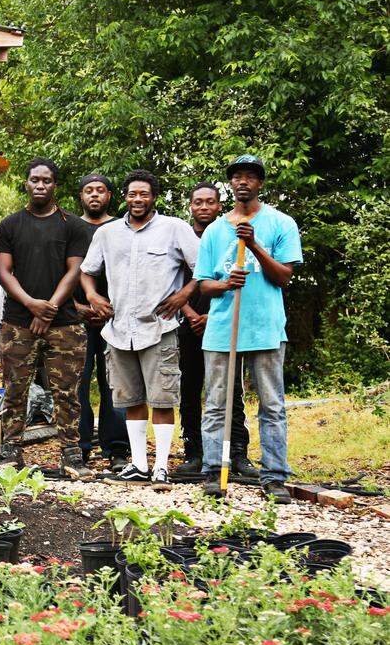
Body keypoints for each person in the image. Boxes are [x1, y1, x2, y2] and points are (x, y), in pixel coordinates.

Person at [80, 170, 198, 485]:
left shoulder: (174, 228)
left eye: (144, 194)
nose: (137, 199)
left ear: (153, 197)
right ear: (125, 197)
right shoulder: (107, 233)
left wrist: (183, 295)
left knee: (162, 400)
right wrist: (92, 295)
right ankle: (139, 465)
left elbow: (203, 267)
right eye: (132, 194)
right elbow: (87, 271)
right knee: (131, 400)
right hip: (119, 330)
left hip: (158, 328)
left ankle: (161, 468)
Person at [196, 155, 301, 503]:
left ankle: (274, 477)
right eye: (237, 176)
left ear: (260, 183)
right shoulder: (214, 230)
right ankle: (214, 471)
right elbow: (203, 285)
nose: (243, 182)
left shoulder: (281, 223)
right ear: (231, 183)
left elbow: (284, 277)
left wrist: (254, 244)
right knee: (216, 403)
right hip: (222, 328)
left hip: (265, 327)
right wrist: (226, 283)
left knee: (272, 405)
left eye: (250, 177)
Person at [0, 158, 92, 479]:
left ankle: (72, 456)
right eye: (34, 179)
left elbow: (75, 270)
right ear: (26, 183)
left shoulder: (73, 225)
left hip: (65, 325)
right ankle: (11, 452)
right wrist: (31, 304)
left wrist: (49, 307)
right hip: (17, 324)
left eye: (46, 180)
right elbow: (4, 272)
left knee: (67, 392)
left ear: (55, 185)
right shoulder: (10, 225)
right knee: (15, 390)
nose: (40, 185)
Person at [176, 182, 254, 478]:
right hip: (188, 325)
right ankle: (194, 452)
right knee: (190, 389)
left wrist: (212, 316)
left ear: (219, 206)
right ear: (191, 206)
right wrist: (191, 314)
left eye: (210, 202)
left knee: (231, 390)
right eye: (198, 202)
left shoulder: (229, 236)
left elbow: (239, 278)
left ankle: (238, 453)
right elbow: (169, 282)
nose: (204, 207)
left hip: (223, 323)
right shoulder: (181, 238)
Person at [72, 173, 129, 473]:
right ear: (81, 196)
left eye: (100, 190)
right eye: (89, 190)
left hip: (116, 317)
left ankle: (117, 449)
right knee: (77, 384)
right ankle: (79, 447)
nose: (94, 195)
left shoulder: (123, 228)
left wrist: (113, 308)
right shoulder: (69, 226)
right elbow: (60, 272)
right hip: (76, 317)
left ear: (109, 196)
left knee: (115, 384)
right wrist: (78, 306)